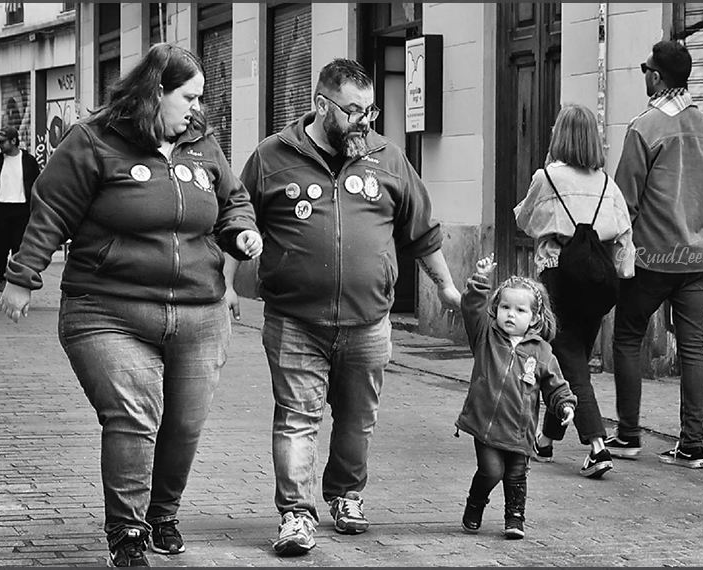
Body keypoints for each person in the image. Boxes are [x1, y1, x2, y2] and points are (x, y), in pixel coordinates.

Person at [0, 43, 263, 567]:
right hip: (107, 309)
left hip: (199, 312)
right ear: (156, 92)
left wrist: (241, 231)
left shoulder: (201, 142)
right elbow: (52, 210)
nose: (197, 108)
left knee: (184, 425)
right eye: (189, 97)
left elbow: (232, 200)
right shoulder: (93, 140)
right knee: (134, 414)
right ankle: (127, 532)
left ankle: (162, 514)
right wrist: (23, 277)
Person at [223, 58, 461, 556]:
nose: (364, 121)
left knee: (357, 419)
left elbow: (421, 231)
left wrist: (446, 289)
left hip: (368, 321)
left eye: (370, 110)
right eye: (354, 110)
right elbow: (237, 219)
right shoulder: (272, 156)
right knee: (297, 418)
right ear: (321, 105)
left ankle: (346, 495)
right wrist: (226, 285)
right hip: (294, 320)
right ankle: (296, 514)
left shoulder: (387, 158)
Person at [609, 40, 703, 469]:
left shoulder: (644, 128)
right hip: (700, 259)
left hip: (652, 259)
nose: (644, 75)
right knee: (693, 347)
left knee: (627, 337)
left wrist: (619, 249)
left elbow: (625, 200)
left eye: (646, 69)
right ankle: (692, 445)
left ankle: (628, 435)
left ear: (656, 77)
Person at [513, 104, 635, 479]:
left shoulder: (547, 177)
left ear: (560, 136)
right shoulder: (606, 184)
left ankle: (597, 446)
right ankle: (546, 439)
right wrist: (622, 273)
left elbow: (523, 219)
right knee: (571, 358)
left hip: (559, 278)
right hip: (598, 282)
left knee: (570, 362)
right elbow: (624, 234)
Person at [456, 256, 577, 539]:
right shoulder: (486, 336)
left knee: (516, 475)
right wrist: (480, 280)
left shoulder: (542, 351)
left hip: (521, 430)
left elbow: (556, 384)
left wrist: (565, 404)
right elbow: (471, 307)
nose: (510, 314)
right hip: (486, 425)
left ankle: (514, 519)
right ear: (496, 309)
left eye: (520, 310)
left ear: (534, 318)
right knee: (491, 471)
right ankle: (475, 503)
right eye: (505, 307)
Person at [0, 125, 41, 300]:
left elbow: (37, 185)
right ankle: (1, 276)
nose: (0, 145)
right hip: (0, 207)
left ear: (14, 141)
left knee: (19, 249)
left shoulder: (29, 161)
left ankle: (15, 282)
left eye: (3, 142)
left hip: (22, 209)